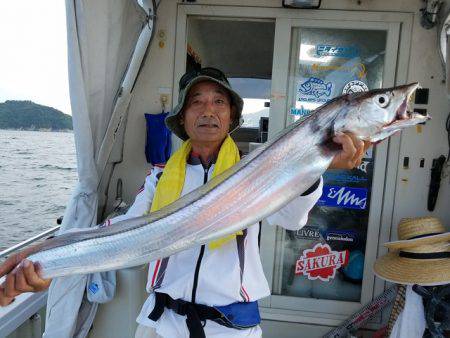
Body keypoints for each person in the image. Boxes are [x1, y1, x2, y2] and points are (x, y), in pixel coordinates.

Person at [0, 67, 369, 337]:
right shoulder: (160, 178)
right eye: (197, 102)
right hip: (160, 325)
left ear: (231, 117)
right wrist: (47, 259)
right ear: (183, 118)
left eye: (218, 102)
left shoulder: (256, 172)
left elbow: (291, 218)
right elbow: (120, 235)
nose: (208, 110)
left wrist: (316, 168)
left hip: (231, 329)